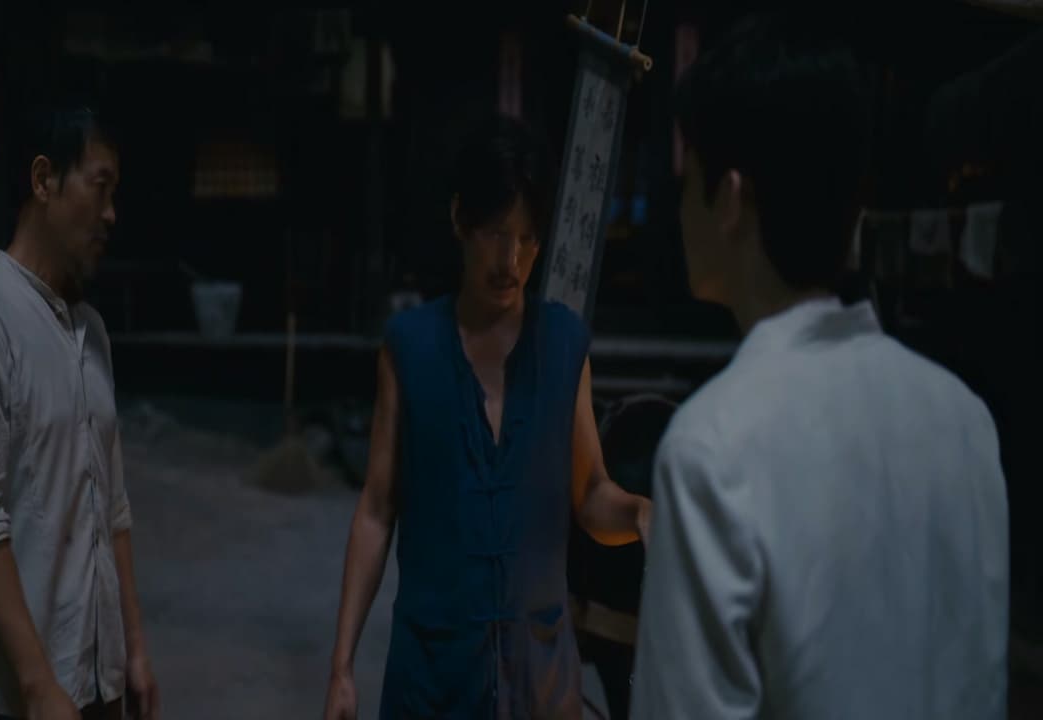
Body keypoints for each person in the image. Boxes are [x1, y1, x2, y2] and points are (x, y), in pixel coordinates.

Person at [630, 11, 1009, 720]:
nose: (680, 207)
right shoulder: (965, 420)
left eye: (690, 178)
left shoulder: (713, 448)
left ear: (730, 198)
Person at [322, 114, 652, 719]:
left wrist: (637, 512)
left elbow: (590, 495)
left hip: (539, 680)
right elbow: (376, 509)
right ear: (460, 220)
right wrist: (342, 666)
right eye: (497, 234)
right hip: (433, 676)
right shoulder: (411, 346)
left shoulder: (563, 344)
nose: (511, 259)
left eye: (528, 239)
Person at [0, 104, 160, 720]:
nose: (111, 214)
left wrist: (133, 650)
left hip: (95, 679)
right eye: (100, 187)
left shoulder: (91, 331)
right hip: (14, 693)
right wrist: (37, 687)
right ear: (43, 179)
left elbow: (113, 508)